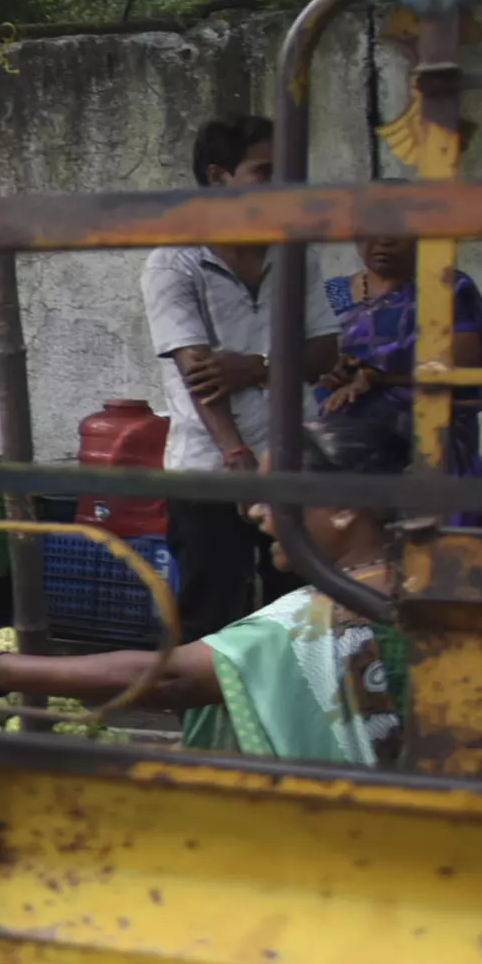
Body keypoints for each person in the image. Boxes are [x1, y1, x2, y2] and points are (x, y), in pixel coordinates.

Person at [0, 435, 408, 769]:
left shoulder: (318, 618)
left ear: (345, 508)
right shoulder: (414, 580)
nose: (255, 511)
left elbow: (172, 677)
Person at [141, 116, 341, 638]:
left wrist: (255, 367)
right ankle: (209, 720)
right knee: (211, 620)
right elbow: (199, 375)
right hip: (210, 471)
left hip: (297, 462)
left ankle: (288, 721)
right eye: (264, 171)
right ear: (219, 178)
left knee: (301, 616)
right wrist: (237, 457)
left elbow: (325, 351)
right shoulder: (174, 263)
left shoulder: (296, 253)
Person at [319, 236, 482, 484]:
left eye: (394, 232)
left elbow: (466, 365)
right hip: (345, 458)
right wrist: (329, 370)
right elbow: (306, 360)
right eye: (371, 232)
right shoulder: (330, 295)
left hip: (429, 453)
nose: (383, 242)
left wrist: (380, 378)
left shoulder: (446, 287)